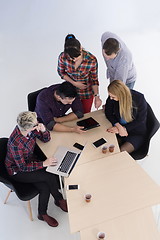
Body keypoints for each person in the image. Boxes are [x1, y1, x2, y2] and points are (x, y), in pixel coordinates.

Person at [5, 111, 68, 227]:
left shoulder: (29, 130)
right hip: (17, 171)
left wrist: (43, 130)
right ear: (28, 128)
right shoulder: (16, 144)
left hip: (29, 161)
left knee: (45, 186)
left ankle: (44, 212)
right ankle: (56, 201)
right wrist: (44, 163)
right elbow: (22, 167)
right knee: (49, 175)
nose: (38, 123)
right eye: (36, 124)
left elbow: (46, 139)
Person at [57, 34, 102, 113]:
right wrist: (74, 83)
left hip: (86, 93)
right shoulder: (63, 57)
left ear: (81, 48)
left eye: (76, 57)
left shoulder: (91, 60)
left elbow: (94, 80)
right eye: (71, 58)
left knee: (85, 115)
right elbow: (61, 73)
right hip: (70, 92)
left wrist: (97, 97)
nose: (74, 60)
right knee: (71, 115)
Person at [104, 80, 147, 153]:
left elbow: (141, 120)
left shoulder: (139, 98)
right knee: (107, 148)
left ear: (120, 94)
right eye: (110, 96)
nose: (111, 98)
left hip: (135, 133)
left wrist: (125, 128)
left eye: (113, 97)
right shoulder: (112, 97)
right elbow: (108, 112)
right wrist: (118, 126)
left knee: (121, 153)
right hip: (119, 130)